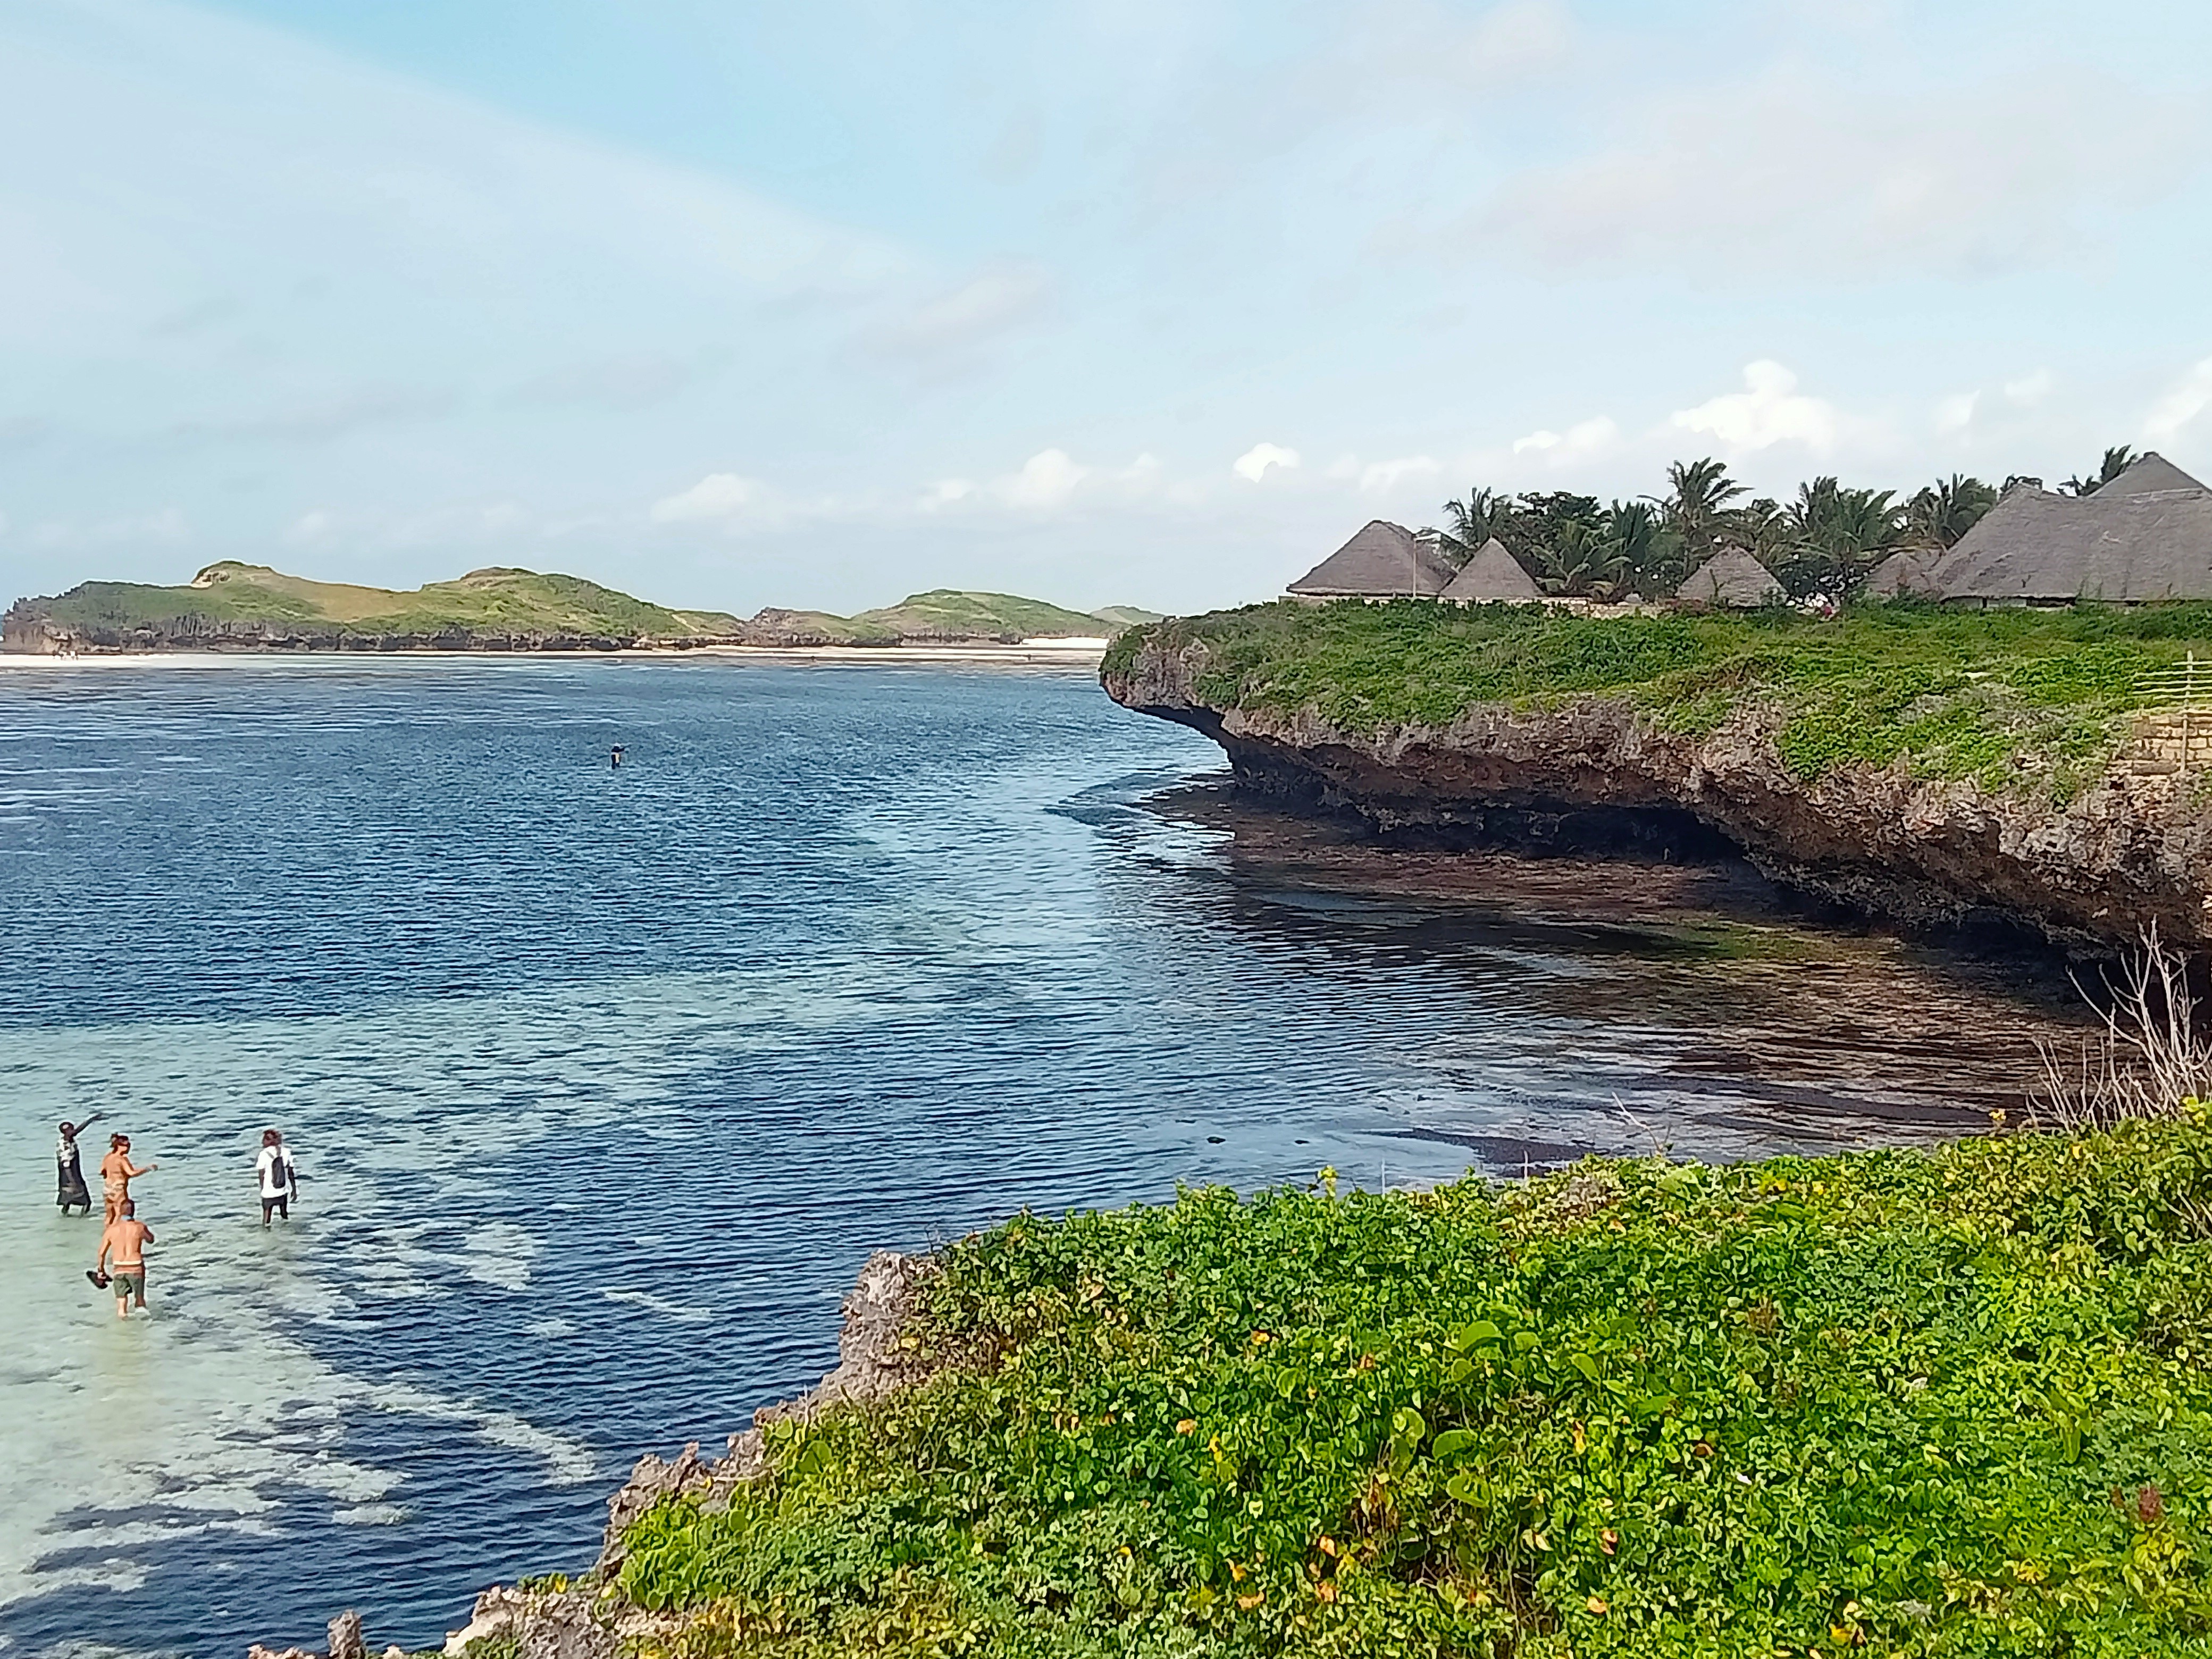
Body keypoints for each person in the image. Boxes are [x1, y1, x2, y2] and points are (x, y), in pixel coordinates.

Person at [94, 1199, 154, 1318]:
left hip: (119, 1268)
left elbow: (101, 1253)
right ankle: (143, 1326)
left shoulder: (112, 1229)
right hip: (136, 1268)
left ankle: (124, 1326)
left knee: (121, 1307)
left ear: (120, 1212)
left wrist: (101, 1271)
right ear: (134, 1211)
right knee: (140, 1301)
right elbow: (151, 1240)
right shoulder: (139, 1227)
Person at [99, 1134, 156, 1223]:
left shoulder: (108, 1157)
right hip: (119, 1189)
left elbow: (102, 1171)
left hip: (107, 1189)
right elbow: (132, 1173)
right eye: (128, 1146)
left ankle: (107, 1230)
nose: (129, 1148)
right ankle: (117, 1231)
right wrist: (147, 1169)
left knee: (110, 1215)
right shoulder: (122, 1159)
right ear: (119, 1146)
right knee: (119, 1214)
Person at [56, 1115, 103, 1214]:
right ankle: (82, 1219)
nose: (73, 1131)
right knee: (86, 1202)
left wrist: (90, 1120)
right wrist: (73, 1181)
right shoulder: (65, 1144)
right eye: (70, 1130)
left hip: (68, 1178)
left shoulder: (67, 1141)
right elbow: (66, 1165)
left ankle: (65, 1218)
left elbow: (77, 1131)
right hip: (71, 1177)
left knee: (67, 1201)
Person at [256, 1129, 299, 1225]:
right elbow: (291, 1173)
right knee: (284, 1215)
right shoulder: (286, 1152)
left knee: (267, 1220)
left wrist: (262, 1188)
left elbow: (261, 1175)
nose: (262, 1141)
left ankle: (266, 1232)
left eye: (264, 1139)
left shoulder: (263, 1154)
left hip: (269, 1192)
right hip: (283, 1191)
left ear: (269, 1140)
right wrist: (294, 1190)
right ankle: (287, 1231)